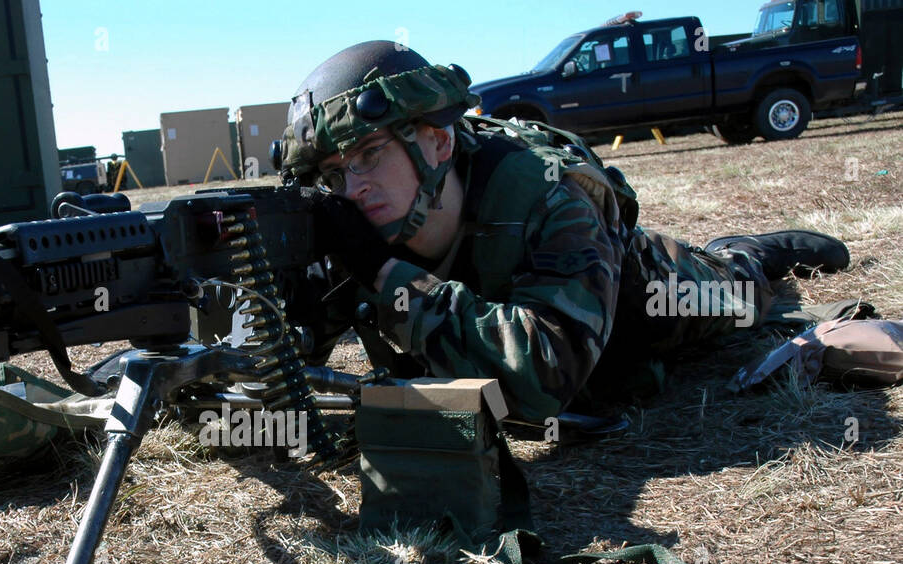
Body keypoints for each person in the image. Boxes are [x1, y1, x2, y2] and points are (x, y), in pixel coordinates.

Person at [277, 41, 851, 422]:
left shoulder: (546, 192)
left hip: (641, 289)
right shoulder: (360, 221)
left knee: (739, 297)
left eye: (370, 154)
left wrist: (383, 275)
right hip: (543, 303)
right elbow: (281, 366)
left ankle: (744, 251)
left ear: (438, 141)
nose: (351, 187)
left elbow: (542, 381)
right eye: (333, 172)